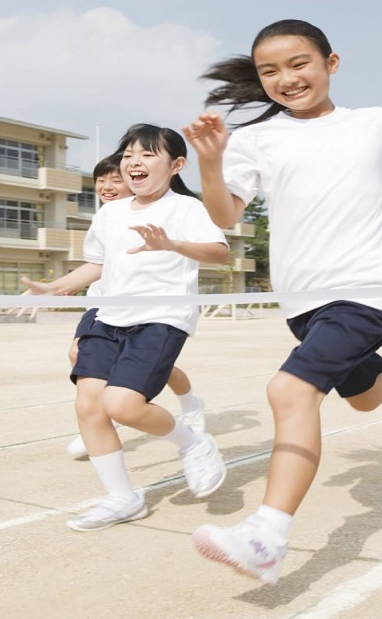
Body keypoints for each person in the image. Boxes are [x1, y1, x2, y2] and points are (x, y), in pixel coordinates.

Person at [182, 19, 382, 585]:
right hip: (302, 299)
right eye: (270, 71)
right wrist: (209, 161)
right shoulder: (255, 138)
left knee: (289, 389)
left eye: (299, 63)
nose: (287, 78)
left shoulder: (372, 123)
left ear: (331, 63)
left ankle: (267, 536)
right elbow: (226, 216)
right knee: (364, 396)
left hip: (365, 284)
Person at [24, 124, 230, 531]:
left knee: (123, 406)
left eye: (149, 154)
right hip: (108, 317)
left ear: (176, 165)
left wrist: (172, 245)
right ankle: (123, 499)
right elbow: (99, 264)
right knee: (89, 406)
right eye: (129, 154)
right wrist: (55, 286)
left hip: (160, 318)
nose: (135, 162)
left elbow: (219, 252)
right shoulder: (111, 212)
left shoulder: (186, 209)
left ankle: (193, 443)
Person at [63, 152, 207, 459]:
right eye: (100, 180)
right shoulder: (106, 216)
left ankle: (189, 403)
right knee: (79, 352)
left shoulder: (167, 213)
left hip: (150, 310)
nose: (107, 186)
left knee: (154, 370)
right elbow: (96, 263)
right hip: (104, 306)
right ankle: (97, 423)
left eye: (116, 179)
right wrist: (60, 286)